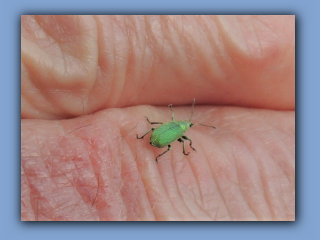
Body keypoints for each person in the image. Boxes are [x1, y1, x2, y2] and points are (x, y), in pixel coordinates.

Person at [21, 15, 295, 221]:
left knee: (162, 133)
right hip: (158, 137)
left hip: (157, 136)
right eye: (187, 124)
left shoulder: (175, 127)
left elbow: (170, 129)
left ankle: (150, 141)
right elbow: (173, 131)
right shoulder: (177, 129)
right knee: (165, 136)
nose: (186, 126)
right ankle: (152, 143)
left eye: (187, 125)